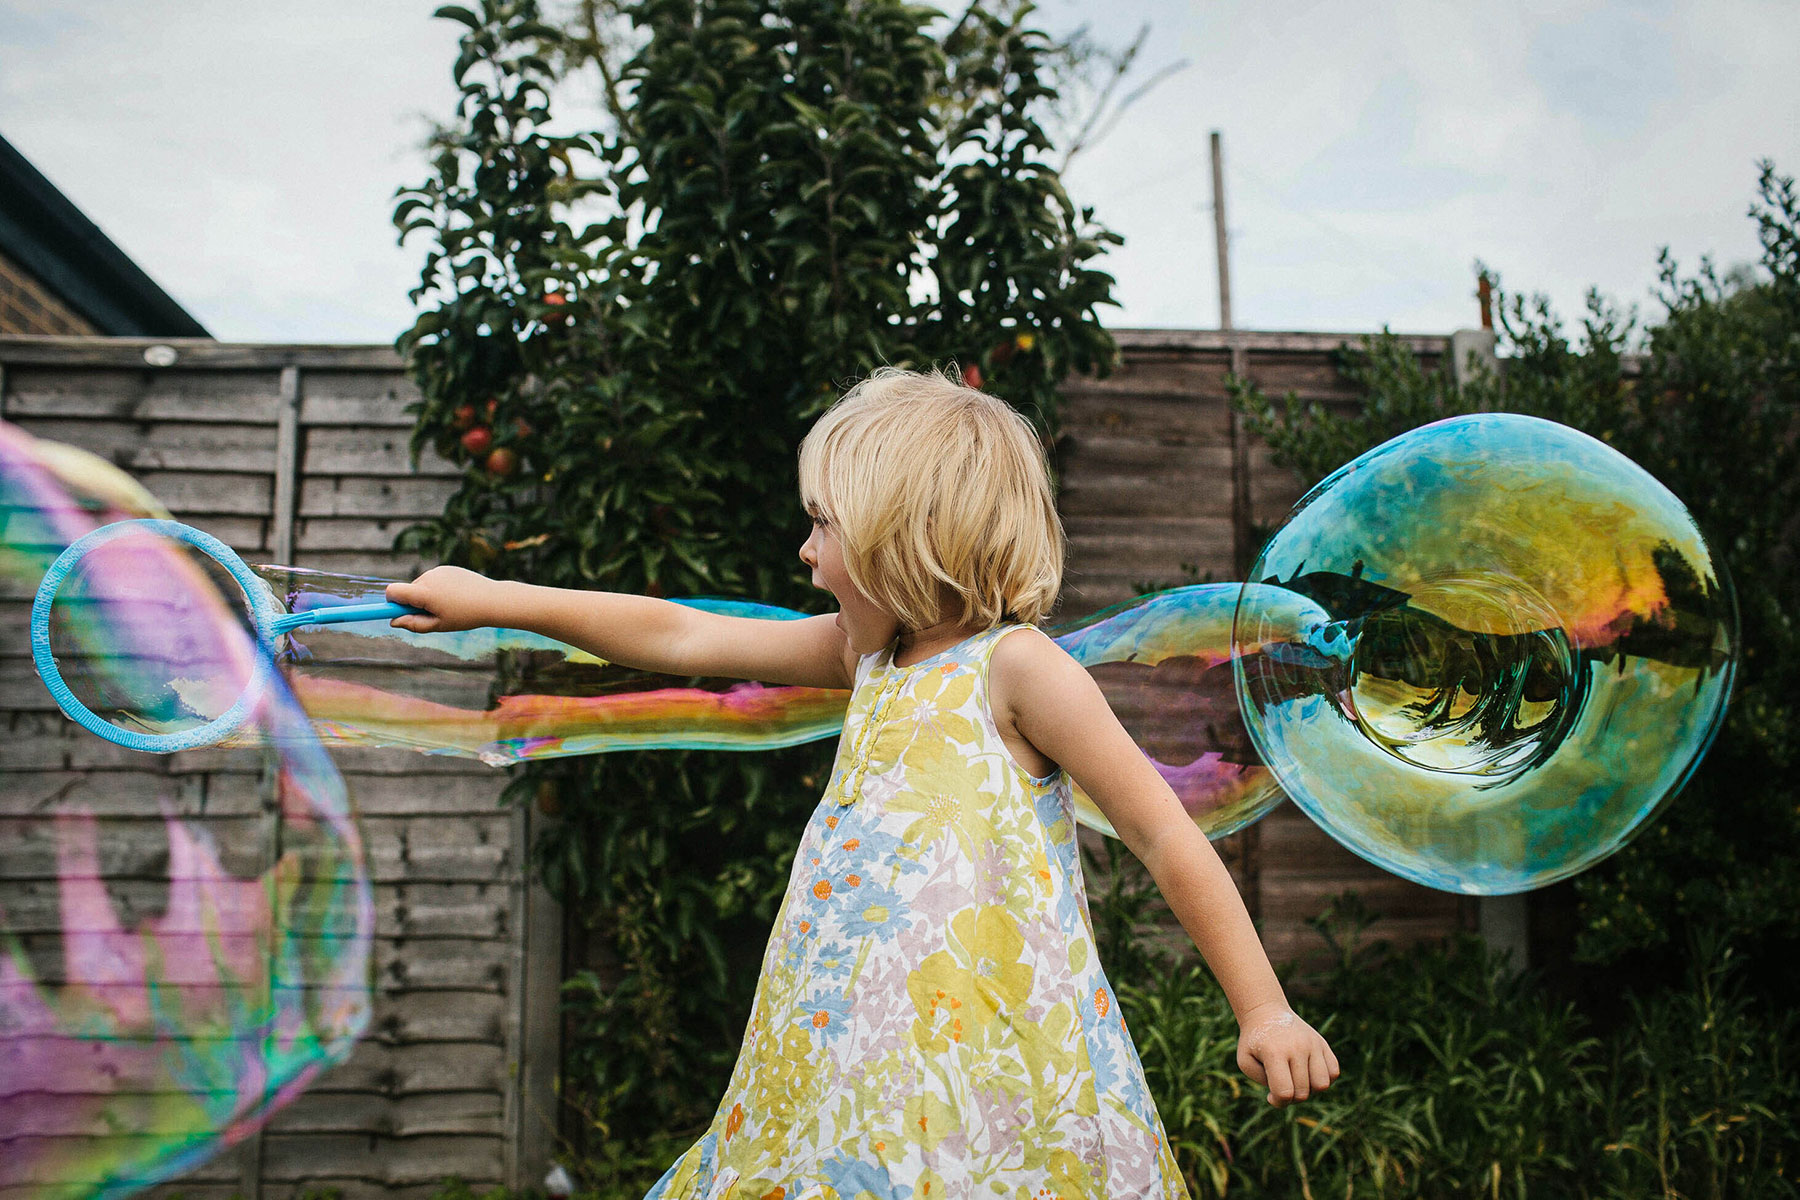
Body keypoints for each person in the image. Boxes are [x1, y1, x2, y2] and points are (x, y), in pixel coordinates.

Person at [386, 366, 1339, 1199]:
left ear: (907, 533)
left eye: (823, 523)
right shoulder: (866, 659)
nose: (806, 550)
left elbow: (1166, 835)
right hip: (841, 1049)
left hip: (982, 1064)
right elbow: (680, 632)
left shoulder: (1018, 669)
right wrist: (498, 601)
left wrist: (1264, 1007)